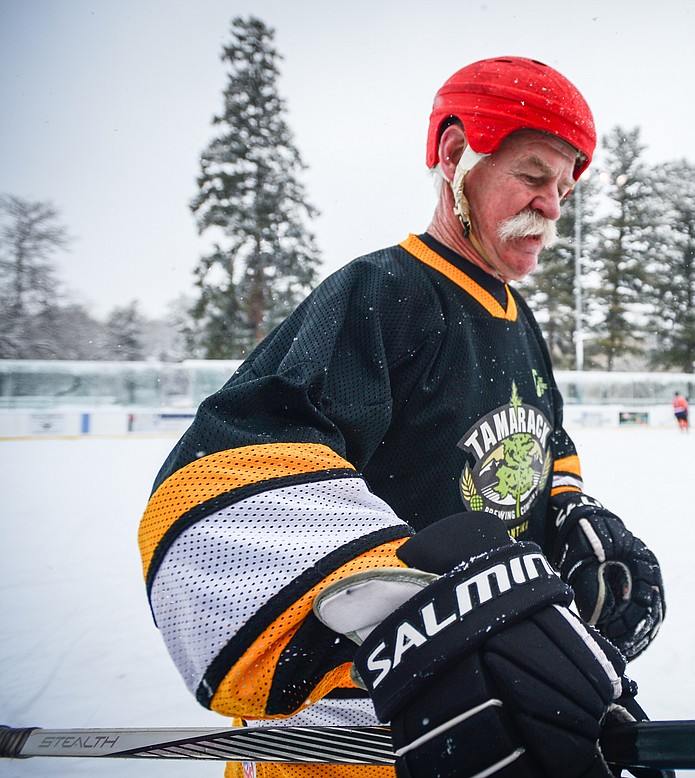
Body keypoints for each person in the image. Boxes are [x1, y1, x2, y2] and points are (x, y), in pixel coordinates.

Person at [137, 56, 668, 778]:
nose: (551, 206)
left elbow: (546, 438)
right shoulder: (382, 294)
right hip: (357, 734)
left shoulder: (521, 318)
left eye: (564, 190)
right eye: (534, 176)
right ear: (456, 155)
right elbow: (220, 479)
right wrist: (429, 621)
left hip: (498, 708)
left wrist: (571, 511)